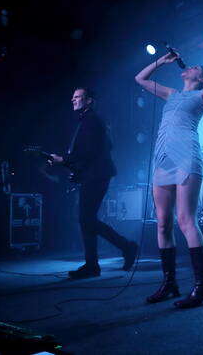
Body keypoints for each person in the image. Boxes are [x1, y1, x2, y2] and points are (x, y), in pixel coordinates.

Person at [135, 34, 203, 308]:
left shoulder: (202, 95)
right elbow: (140, 79)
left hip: (186, 157)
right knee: (163, 223)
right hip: (162, 159)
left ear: (200, 79)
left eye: (198, 68)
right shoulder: (171, 94)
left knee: (186, 220)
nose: (191, 67)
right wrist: (163, 60)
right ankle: (170, 283)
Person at [50, 88, 138, 279]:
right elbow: (96, 149)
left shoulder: (91, 121)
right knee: (87, 219)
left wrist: (64, 160)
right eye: (72, 96)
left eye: (77, 96)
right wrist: (68, 163)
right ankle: (96, 263)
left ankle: (124, 248)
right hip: (95, 175)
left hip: (96, 175)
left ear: (88, 100)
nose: (72, 99)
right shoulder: (89, 120)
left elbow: (88, 152)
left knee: (86, 219)